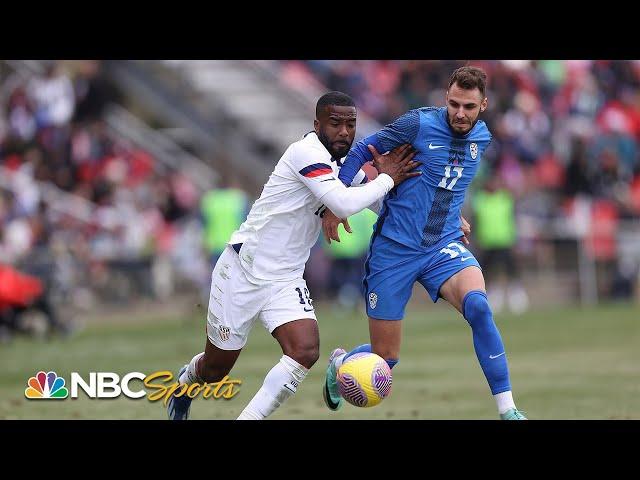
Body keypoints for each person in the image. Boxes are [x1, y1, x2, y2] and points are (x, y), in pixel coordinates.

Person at [167, 91, 421, 420]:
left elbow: (375, 202)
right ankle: (185, 383)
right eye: (335, 123)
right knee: (216, 369)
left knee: (305, 350)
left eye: (351, 124)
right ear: (317, 125)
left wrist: (435, 218)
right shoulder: (306, 152)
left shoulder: (344, 164)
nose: (344, 131)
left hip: (285, 278)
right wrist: (386, 178)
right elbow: (344, 203)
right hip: (244, 268)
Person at [322, 67, 527, 420]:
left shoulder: (482, 138)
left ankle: (508, 410)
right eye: (453, 104)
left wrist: (454, 212)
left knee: (478, 307)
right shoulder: (417, 124)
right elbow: (360, 151)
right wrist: (336, 202)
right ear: (445, 98)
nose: (459, 113)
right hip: (394, 252)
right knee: (386, 360)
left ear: (483, 105)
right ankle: (341, 363)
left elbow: (450, 180)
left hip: (441, 247)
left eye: (468, 106)